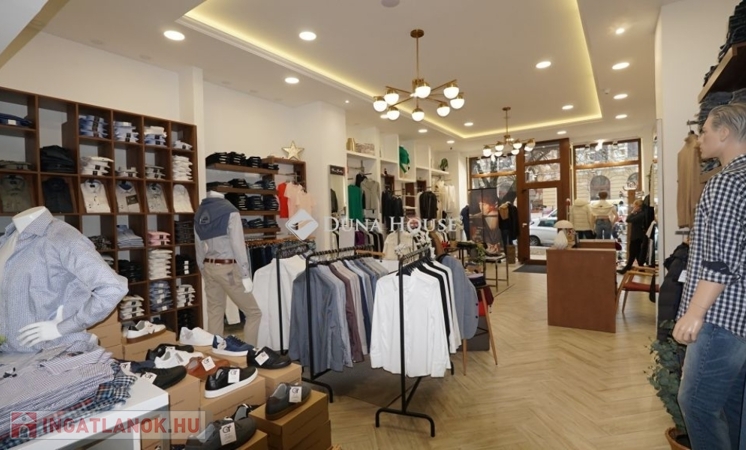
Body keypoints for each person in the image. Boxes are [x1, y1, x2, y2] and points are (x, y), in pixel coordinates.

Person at [673, 103, 746, 450]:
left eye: (704, 132)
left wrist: (695, 312)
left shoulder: (726, 183)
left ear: (724, 132)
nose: (699, 140)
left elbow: (720, 261)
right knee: (732, 404)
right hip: (739, 316)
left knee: (697, 403)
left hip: (720, 314)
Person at [617, 199, 646, 274]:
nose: (634, 207)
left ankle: (628, 268)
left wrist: (632, 212)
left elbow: (628, 219)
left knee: (633, 252)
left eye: (635, 206)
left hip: (637, 236)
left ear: (639, 206)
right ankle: (640, 267)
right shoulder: (641, 214)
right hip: (637, 236)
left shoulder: (641, 215)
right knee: (637, 253)